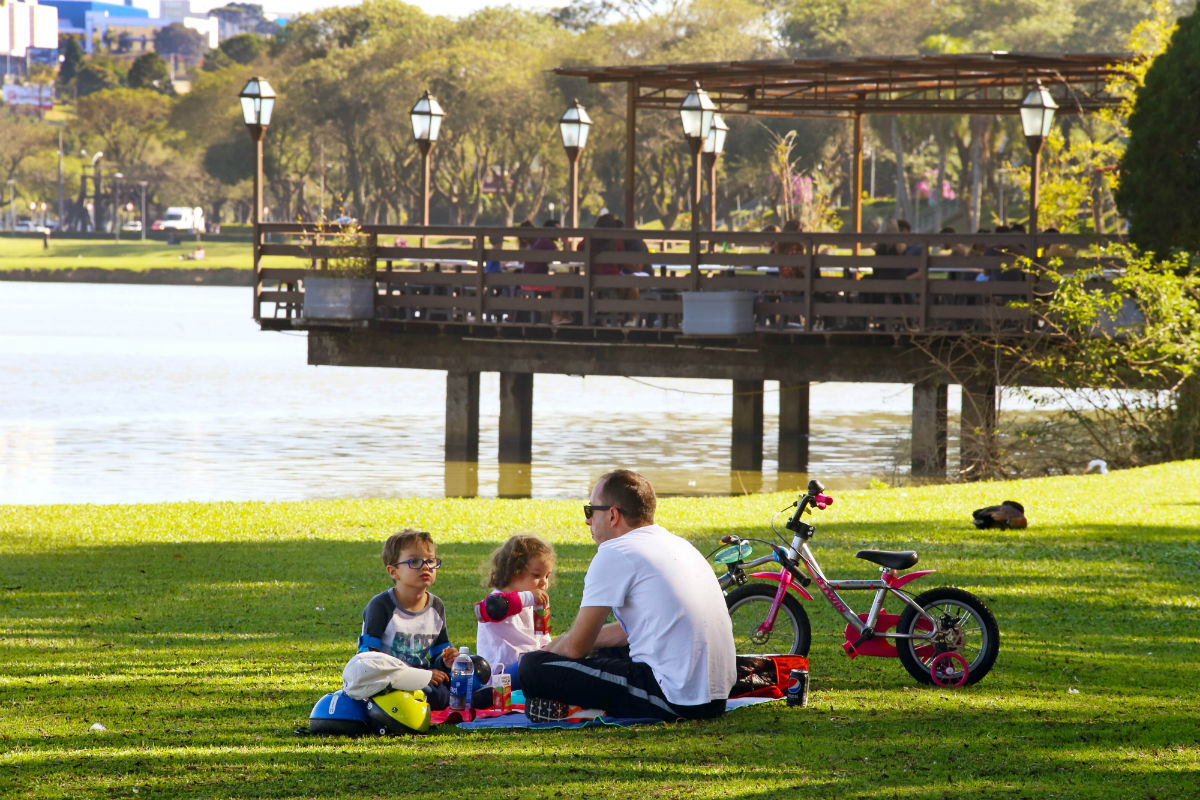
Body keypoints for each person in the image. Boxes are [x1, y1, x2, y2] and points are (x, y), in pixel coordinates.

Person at [518, 469, 736, 722]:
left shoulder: (616, 551)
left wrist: (550, 653)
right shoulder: (677, 544)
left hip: (676, 698)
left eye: (590, 511)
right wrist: (568, 643)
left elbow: (576, 648)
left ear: (612, 514)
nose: (588, 521)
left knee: (533, 668)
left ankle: (582, 709)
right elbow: (630, 632)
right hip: (714, 694)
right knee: (598, 653)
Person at [358, 529, 461, 710]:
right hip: (388, 678)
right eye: (414, 561)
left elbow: (439, 653)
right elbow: (369, 657)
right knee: (437, 695)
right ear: (393, 571)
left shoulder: (436, 606)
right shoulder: (381, 606)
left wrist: (447, 660)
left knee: (465, 677)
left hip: (425, 677)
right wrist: (418, 676)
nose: (425, 566)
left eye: (430, 560)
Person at [473, 535, 555, 690]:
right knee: (533, 666)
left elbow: (543, 636)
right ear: (513, 572)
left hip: (531, 666)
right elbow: (486, 610)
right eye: (537, 575)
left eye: (547, 576)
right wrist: (529, 597)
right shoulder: (496, 600)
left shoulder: (536, 601)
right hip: (501, 676)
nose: (544, 582)